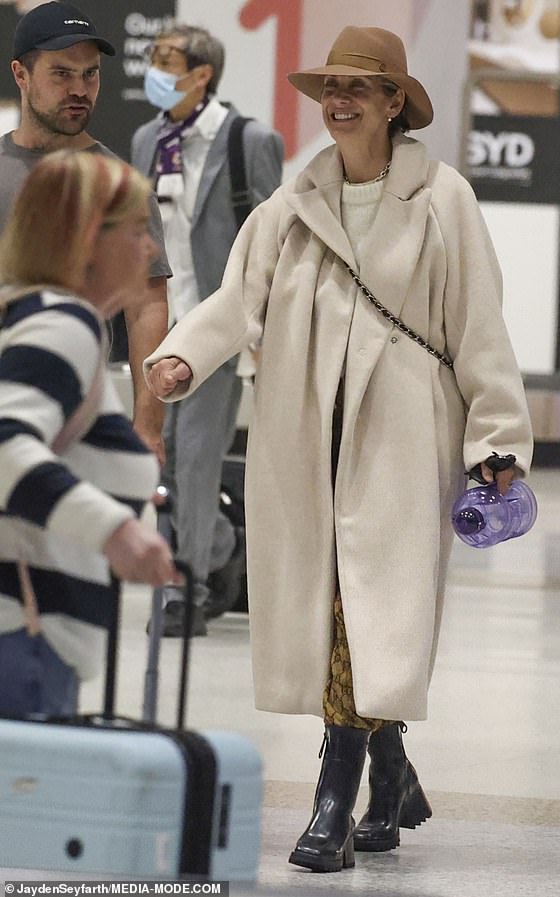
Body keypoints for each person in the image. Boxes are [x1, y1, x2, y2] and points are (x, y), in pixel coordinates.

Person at [144, 26, 534, 873]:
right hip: (301, 438)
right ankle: (390, 778)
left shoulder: (443, 200)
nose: (340, 100)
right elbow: (236, 293)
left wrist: (497, 440)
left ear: (396, 102)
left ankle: (334, 799)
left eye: (361, 87)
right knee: (336, 614)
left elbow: (481, 331)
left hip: (401, 443)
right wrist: (184, 352)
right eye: (331, 86)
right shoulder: (295, 202)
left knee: (365, 616)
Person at [0, 150, 177, 718]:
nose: (148, 247)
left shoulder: (27, 315)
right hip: (23, 637)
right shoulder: (63, 325)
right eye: (135, 230)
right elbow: (5, 445)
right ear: (87, 238)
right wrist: (116, 531)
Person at [131, 23, 283, 636]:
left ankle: (185, 586)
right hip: (157, 324)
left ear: (202, 73)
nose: (155, 71)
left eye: (166, 60)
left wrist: (263, 329)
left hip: (220, 328)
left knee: (195, 458)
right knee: (158, 461)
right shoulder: (147, 140)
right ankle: (221, 548)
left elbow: (277, 241)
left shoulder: (248, 141)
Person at [0, 1, 171, 463]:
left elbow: (147, 306)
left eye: (90, 74)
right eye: (62, 74)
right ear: (21, 74)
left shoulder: (118, 184)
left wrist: (148, 425)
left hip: (79, 415)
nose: (80, 89)